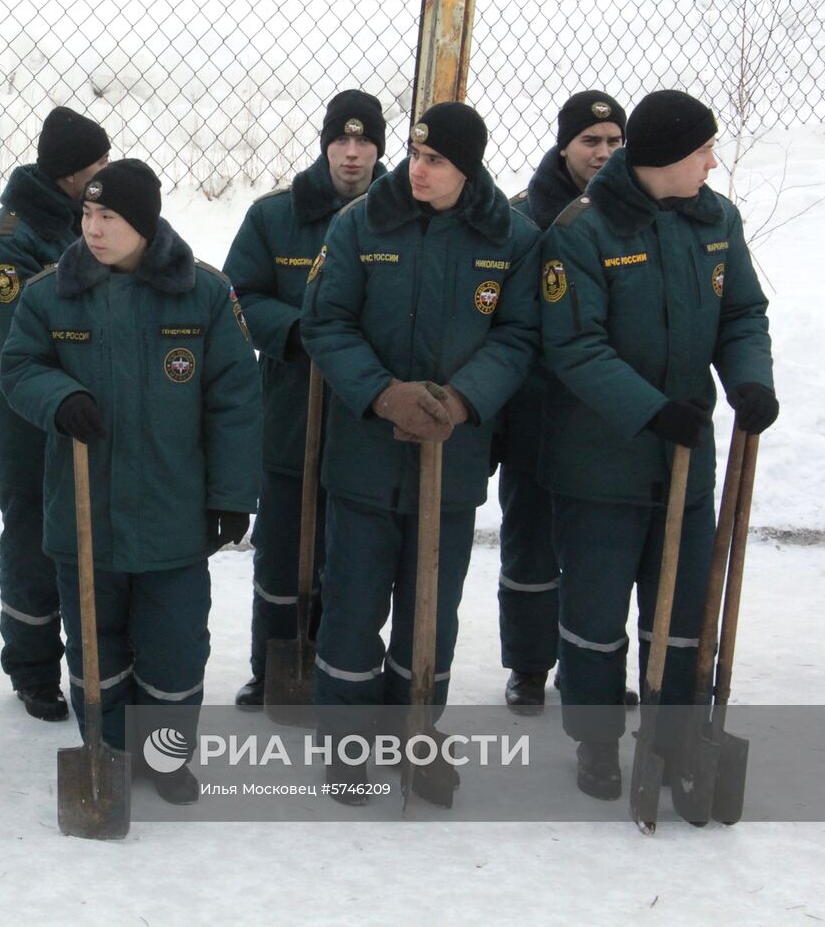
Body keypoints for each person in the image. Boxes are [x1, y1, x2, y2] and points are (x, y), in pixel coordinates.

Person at [0, 159, 262, 805]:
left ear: (143, 223)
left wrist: (231, 495)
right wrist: (58, 396)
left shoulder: (202, 294)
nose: (92, 228)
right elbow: (18, 366)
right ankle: (108, 750)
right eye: (87, 214)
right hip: (85, 517)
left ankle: (165, 757)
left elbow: (235, 398)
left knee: (175, 648)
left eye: (108, 216)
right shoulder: (48, 293)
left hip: (172, 516)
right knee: (95, 648)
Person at [540, 90, 776, 800]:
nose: (711, 161)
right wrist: (650, 411)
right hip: (600, 461)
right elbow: (573, 346)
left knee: (684, 614)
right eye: (701, 150)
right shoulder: (584, 232)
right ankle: (598, 741)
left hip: (687, 465)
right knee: (595, 615)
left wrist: (749, 381)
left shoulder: (716, 219)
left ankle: (674, 739)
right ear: (666, 157)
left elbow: (742, 313)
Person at [301, 102, 540, 803]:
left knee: (432, 610)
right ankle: (346, 744)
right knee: (352, 604)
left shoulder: (512, 240)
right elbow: (327, 320)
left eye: (435, 160)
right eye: (414, 154)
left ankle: (413, 732)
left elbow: (520, 334)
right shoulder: (359, 225)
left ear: (467, 167)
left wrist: (462, 401)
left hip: (454, 462)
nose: (418, 169)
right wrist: (381, 394)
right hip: (366, 460)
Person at [223, 89, 388, 709]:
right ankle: (273, 667)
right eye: (341, 141)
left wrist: (353, 346)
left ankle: (334, 665)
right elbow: (239, 296)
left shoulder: (399, 213)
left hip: (364, 414)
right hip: (293, 411)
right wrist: (299, 331)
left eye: (365, 141)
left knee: (349, 556)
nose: (352, 154)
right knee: (283, 551)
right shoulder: (275, 216)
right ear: (325, 144)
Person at [0, 107, 110, 722]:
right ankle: (31, 668)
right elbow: (22, 341)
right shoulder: (8, 242)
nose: (105, 174)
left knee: (92, 530)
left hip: (98, 412)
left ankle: (94, 660)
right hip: (29, 420)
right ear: (66, 174)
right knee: (33, 534)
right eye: (95, 166)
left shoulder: (97, 221)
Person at [498, 91, 634, 713]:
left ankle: (587, 668)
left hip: (602, 416)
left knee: (597, 551)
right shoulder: (524, 217)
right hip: (535, 408)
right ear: (564, 147)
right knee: (530, 539)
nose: (603, 154)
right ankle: (528, 665)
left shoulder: (635, 212)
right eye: (590, 142)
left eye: (613, 142)